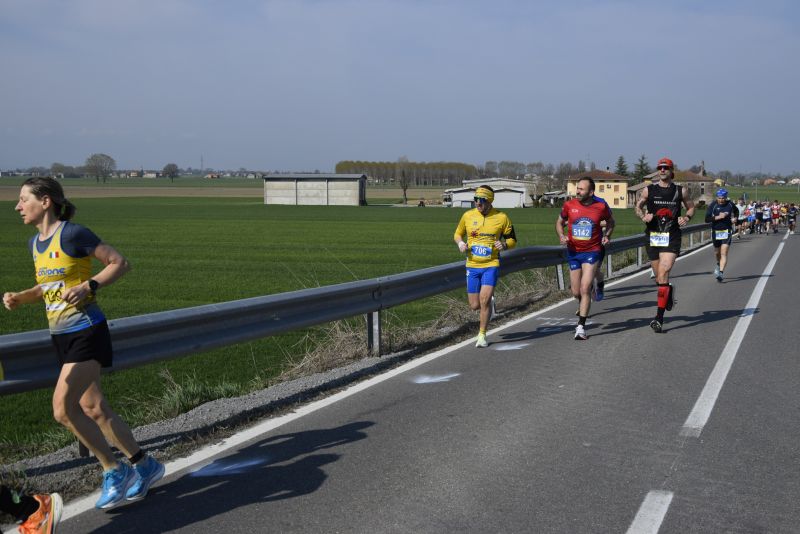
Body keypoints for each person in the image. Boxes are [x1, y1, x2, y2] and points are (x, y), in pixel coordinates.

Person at [3, 177, 165, 510]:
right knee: (94, 409)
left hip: (87, 331)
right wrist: (21, 297)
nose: (17, 206)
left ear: (45, 202)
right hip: (60, 337)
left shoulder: (73, 234)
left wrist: (89, 286)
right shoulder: (35, 244)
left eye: (23, 199)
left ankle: (113, 469)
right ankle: (144, 464)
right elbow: (47, 286)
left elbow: (119, 263)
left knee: (62, 409)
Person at [635, 157, 696, 333]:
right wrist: (643, 216)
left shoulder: (680, 191)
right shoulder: (649, 190)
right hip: (653, 236)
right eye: (660, 167)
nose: (662, 170)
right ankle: (668, 290)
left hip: (672, 236)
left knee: (663, 272)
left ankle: (659, 318)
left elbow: (691, 207)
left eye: (666, 168)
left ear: (671, 171)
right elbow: (638, 207)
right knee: (659, 279)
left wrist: (686, 217)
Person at [454, 185, 516, 347]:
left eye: (481, 200)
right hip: (472, 265)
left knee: (484, 300)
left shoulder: (501, 217)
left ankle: (482, 335)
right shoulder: (468, 215)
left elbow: (512, 239)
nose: (478, 203)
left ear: (489, 201)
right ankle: (488, 304)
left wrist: (504, 245)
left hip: (491, 264)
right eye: (476, 199)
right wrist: (460, 243)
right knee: (475, 305)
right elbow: (458, 233)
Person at [556, 177, 615, 340]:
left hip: (592, 251)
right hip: (574, 252)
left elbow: (611, 222)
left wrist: (607, 235)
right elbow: (559, 222)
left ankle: (581, 327)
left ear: (591, 192)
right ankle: (591, 292)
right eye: (577, 188)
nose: (578, 191)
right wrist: (561, 235)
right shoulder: (569, 205)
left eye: (581, 189)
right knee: (576, 292)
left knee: (584, 288)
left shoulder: (600, 206)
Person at [705, 188, 738, 282]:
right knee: (717, 253)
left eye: (723, 198)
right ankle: (718, 264)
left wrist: (735, 218)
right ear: (717, 197)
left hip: (726, 231)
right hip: (716, 231)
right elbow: (707, 219)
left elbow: (736, 211)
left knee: (724, 253)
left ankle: (721, 273)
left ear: (726, 197)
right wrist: (718, 217)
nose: (721, 200)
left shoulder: (730, 204)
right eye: (719, 198)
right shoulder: (713, 205)